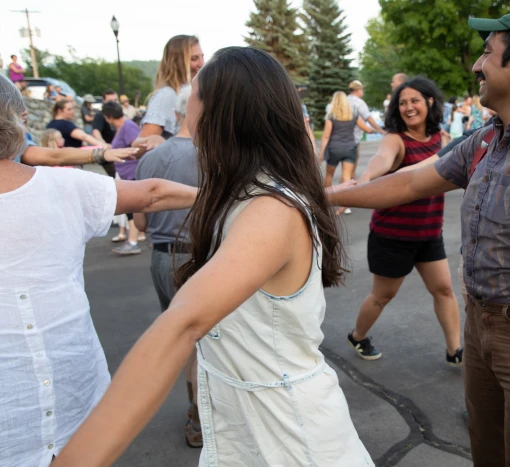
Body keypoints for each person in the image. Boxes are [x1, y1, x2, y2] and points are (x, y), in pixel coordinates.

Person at [329, 9, 510, 467]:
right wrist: (318, 197)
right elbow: (409, 182)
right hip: (482, 326)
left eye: (488, 53)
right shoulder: (488, 139)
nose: (476, 65)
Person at [53, 46, 373, 467]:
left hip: (290, 439)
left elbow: (180, 324)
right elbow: (166, 195)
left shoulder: (271, 211)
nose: (184, 112)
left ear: (219, 113)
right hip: (242, 427)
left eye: (193, 98)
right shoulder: (244, 195)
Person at [0, 72, 198, 467]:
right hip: (76, 399)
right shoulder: (62, 188)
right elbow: (154, 193)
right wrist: (248, 197)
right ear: (19, 118)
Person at [346, 77, 462, 366]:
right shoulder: (395, 139)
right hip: (392, 236)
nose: (409, 107)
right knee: (382, 296)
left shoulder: (442, 139)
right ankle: (358, 335)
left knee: (444, 290)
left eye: (415, 101)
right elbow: (383, 159)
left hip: (428, 234)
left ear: (429, 102)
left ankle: (455, 351)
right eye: (403, 103)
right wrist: (366, 179)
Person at [133, 85, 203, 448]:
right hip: (195, 258)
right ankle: (199, 417)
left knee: (180, 339)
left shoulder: (150, 159)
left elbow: (140, 224)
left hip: (160, 257)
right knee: (198, 343)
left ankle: (197, 411)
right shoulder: (211, 155)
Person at [133, 35, 204, 151]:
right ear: (177, 62)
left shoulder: (193, 91)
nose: (202, 63)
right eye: (194, 59)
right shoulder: (167, 95)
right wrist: (160, 142)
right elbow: (138, 147)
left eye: (202, 57)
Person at [102, 101, 147, 254]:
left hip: (132, 172)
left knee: (132, 207)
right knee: (130, 208)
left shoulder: (127, 126)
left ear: (108, 117)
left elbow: (138, 147)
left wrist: (123, 155)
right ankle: (132, 240)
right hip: (125, 173)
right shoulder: (123, 127)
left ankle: (133, 241)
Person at [319, 90, 373, 212]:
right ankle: (346, 205)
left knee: (329, 175)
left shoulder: (331, 117)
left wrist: (321, 153)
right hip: (349, 148)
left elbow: (326, 135)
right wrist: (377, 130)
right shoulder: (353, 115)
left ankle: (325, 202)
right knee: (347, 176)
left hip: (334, 148)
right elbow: (366, 129)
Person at [347, 80, 386, 183]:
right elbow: (368, 118)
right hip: (354, 139)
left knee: (345, 171)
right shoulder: (359, 103)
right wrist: (380, 130)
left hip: (340, 139)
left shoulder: (344, 101)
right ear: (358, 90)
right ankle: (350, 193)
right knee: (352, 169)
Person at [91, 89, 120, 177]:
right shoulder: (101, 115)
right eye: (110, 101)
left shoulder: (118, 114)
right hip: (109, 152)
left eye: (115, 100)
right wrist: (103, 144)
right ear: (104, 101)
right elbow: (95, 131)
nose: (114, 103)